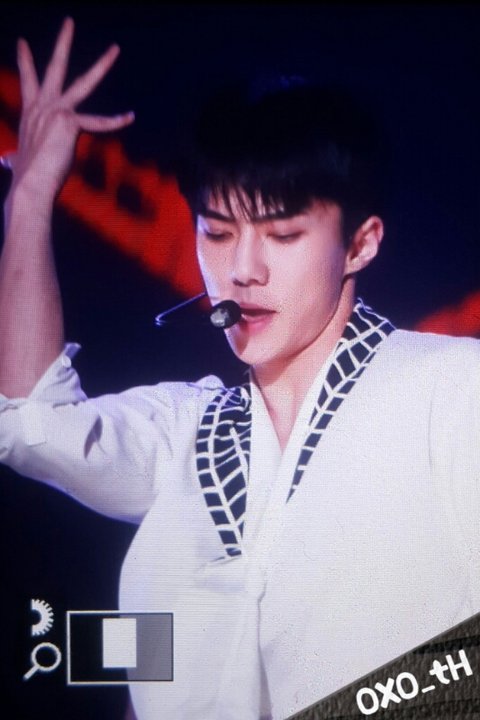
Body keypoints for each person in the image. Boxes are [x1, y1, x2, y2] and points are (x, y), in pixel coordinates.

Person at [1, 16, 479, 720]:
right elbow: (31, 425)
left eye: (283, 235)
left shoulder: (452, 389)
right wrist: (31, 200)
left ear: (361, 243)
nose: (242, 270)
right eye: (217, 232)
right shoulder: (185, 430)